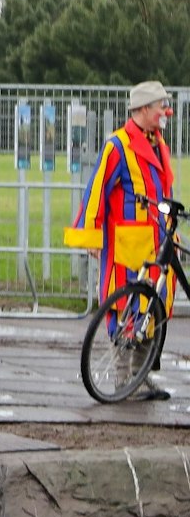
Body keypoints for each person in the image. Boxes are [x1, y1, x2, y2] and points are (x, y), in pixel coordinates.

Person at [70, 80, 176, 400]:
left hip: (156, 244)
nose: (165, 112)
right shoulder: (118, 145)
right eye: (160, 106)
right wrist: (91, 234)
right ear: (144, 109)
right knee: (125, 309)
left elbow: (163, 193)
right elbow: (96, 189)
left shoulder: (158, 144)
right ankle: (121, 378)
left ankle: (138, 377)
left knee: (153, 309)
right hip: (126, 247)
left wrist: (172, 228)